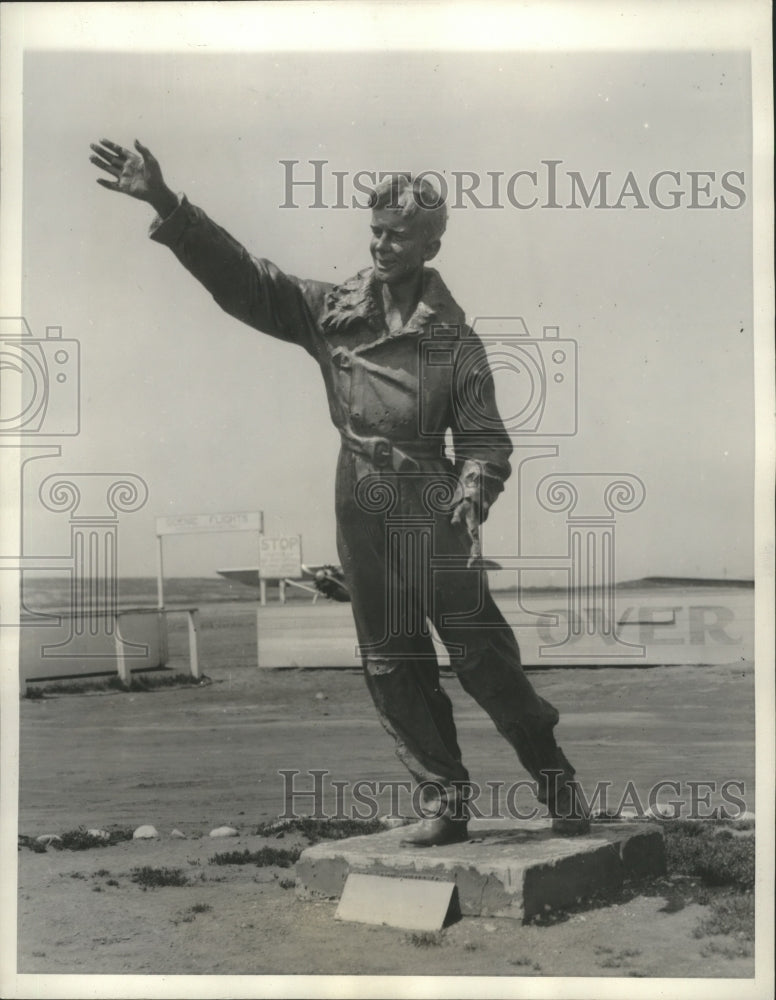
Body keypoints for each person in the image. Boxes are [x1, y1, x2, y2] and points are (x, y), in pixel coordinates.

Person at [89, 138, 590, 844]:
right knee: (390, 657)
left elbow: (485, 440)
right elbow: (249, 282)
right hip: (359, 500)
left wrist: (474, 488)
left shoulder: (457, 343)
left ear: (431, 245)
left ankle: (554, 777)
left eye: (399, 236)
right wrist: (169, 207)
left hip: (431, 507)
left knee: (482, 655)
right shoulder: (333, 313)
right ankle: (444, 802)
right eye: (376, 232)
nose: (382, 246)